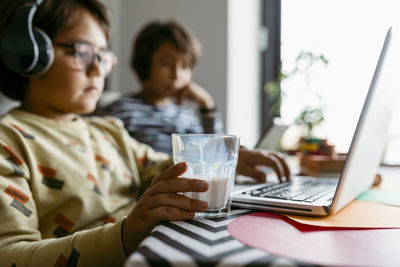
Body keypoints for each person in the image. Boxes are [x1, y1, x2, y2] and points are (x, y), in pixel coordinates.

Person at [0, 1, 209, 266]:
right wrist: (125, 235)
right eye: (84, 53)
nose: (98, 70)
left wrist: (215, 160)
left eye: (103, 56)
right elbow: (8, 256)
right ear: (31, 53)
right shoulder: (8, 142)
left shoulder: (109, 130)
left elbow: (163, 166)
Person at [101, 20, 291, 182]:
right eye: (167, 64)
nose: (177, 74)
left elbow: (215, 149)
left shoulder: (185, 116)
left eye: (185, 66)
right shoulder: (121, 110)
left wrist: (207, 105)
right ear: (145, 64)